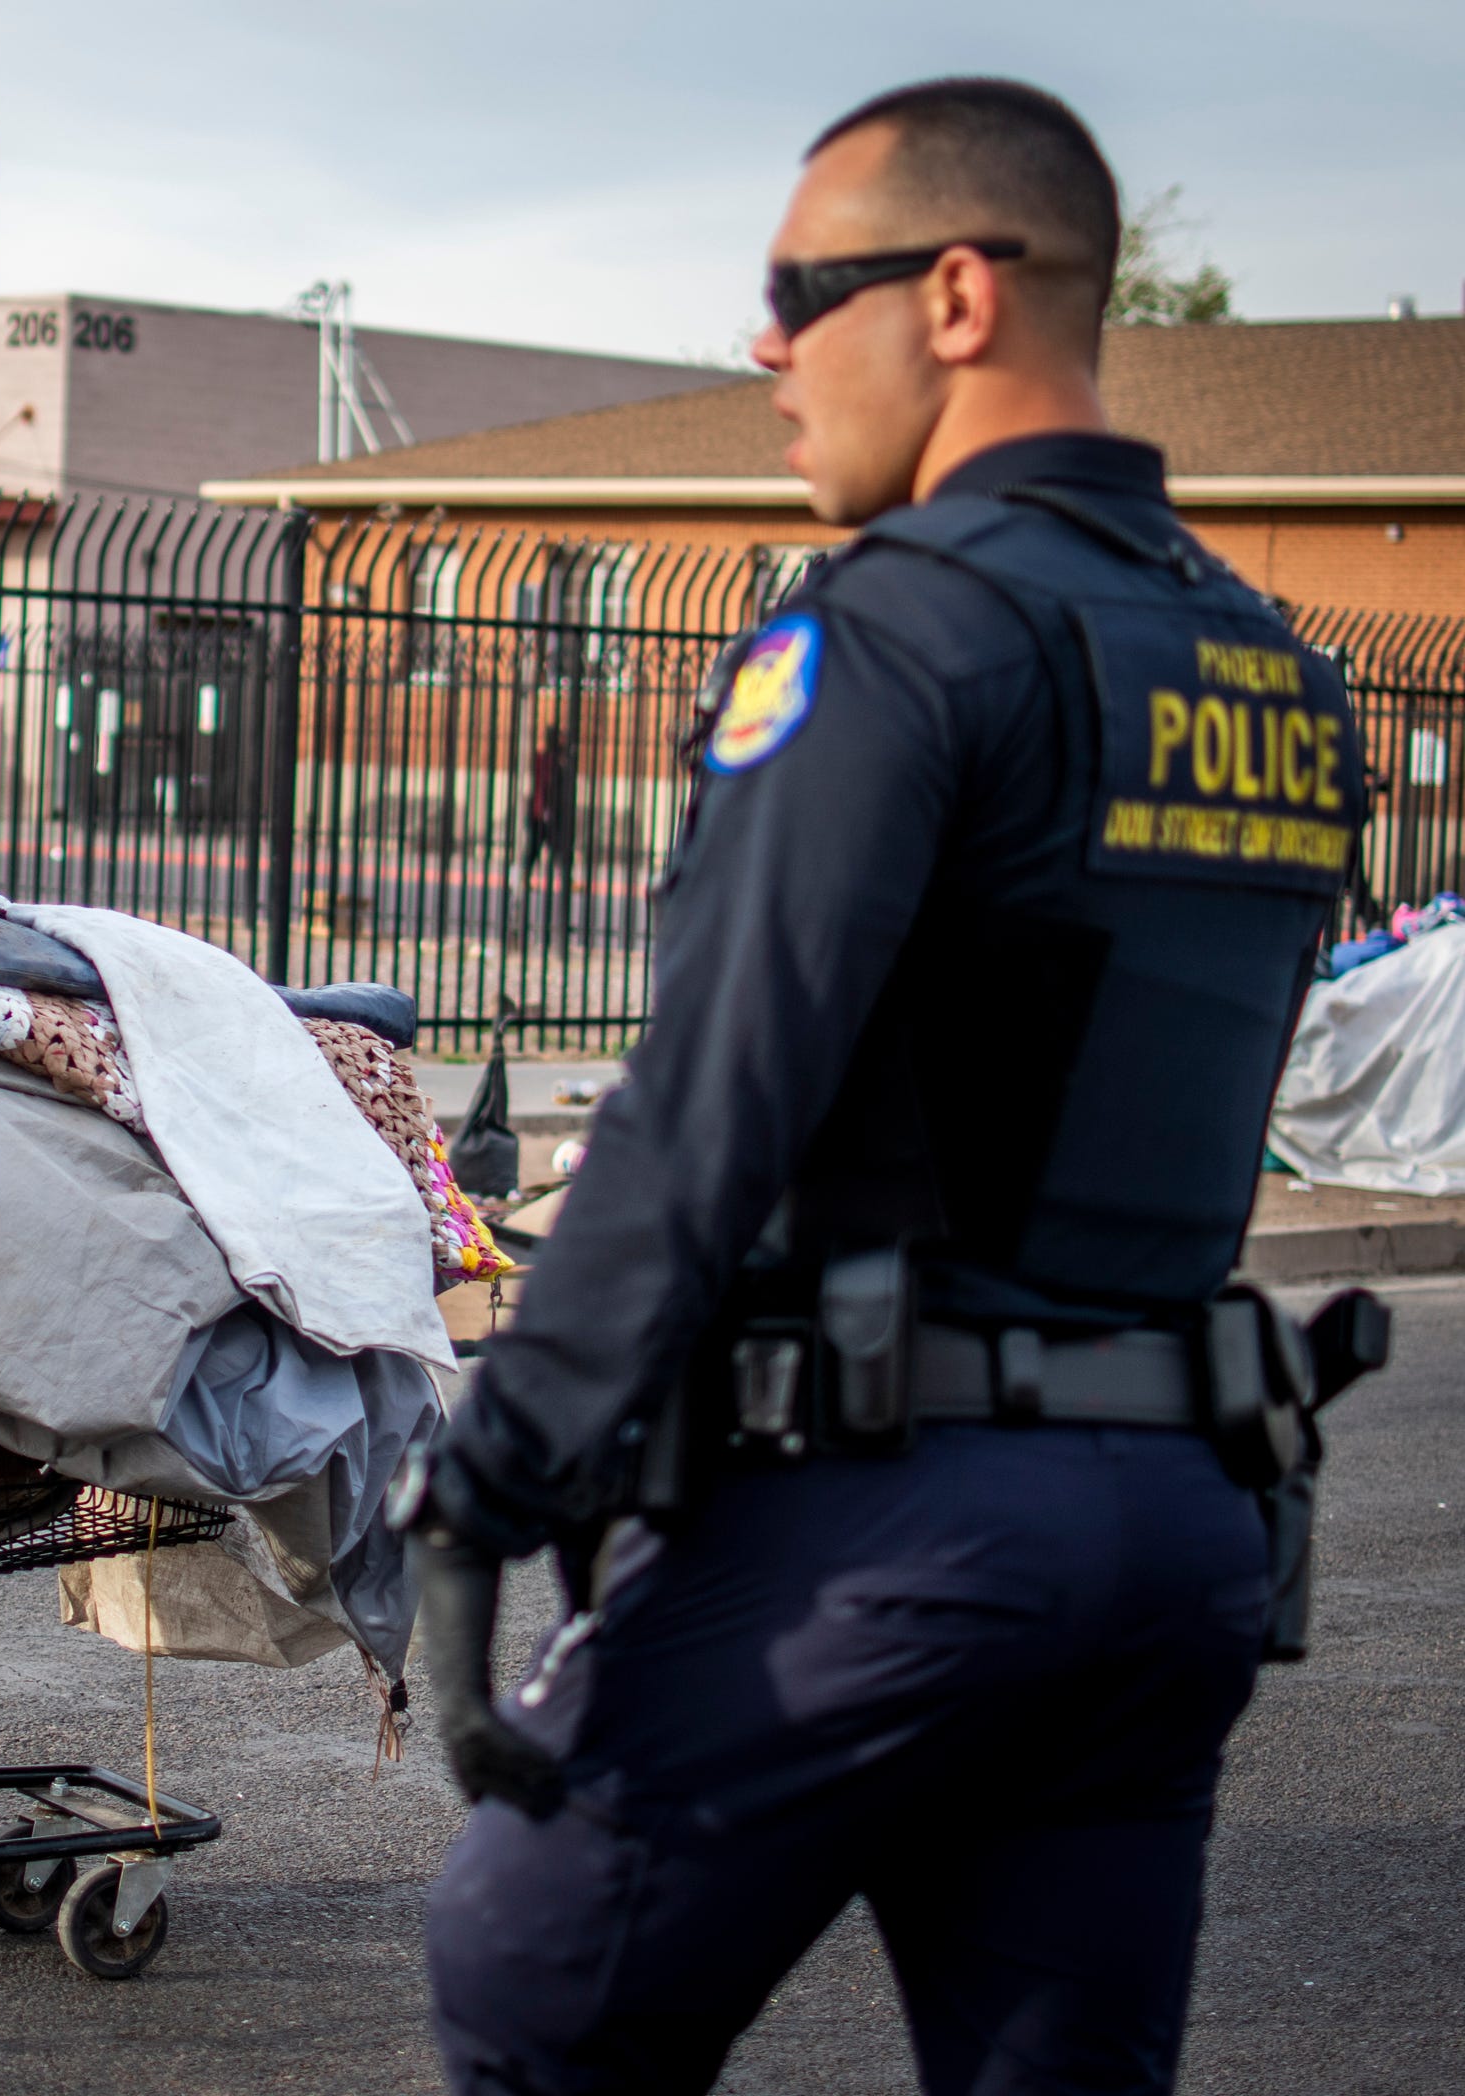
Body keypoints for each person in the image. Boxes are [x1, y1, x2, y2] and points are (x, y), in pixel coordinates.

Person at [398, 80, 1370, 2093]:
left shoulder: (900, 634)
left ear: (954, 295)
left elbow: (705, 1104)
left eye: (795, 290)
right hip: (1178, 1532)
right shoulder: (1275, 672)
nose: (760, 346)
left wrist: (496, 1470)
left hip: (888, 1523)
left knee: (529, 1984)